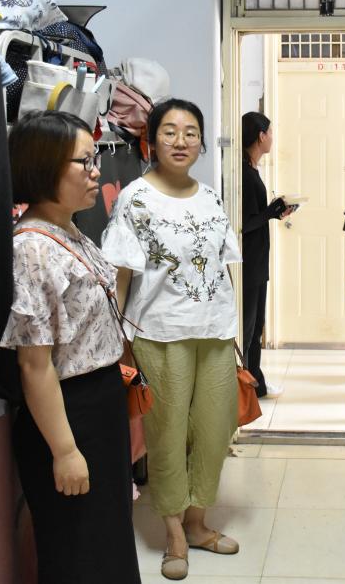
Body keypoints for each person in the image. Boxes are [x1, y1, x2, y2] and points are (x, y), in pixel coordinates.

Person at [102, 98, 242, 581]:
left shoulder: (211, 197)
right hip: (159, 333)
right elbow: (121, 271)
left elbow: (222, 267)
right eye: (169, 131)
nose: (181, 141)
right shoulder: (135, 198)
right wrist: (119, 335)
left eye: (190, 133)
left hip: (215, 331)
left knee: (214, 431)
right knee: (166, 435)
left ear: (201, 142)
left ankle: (198, 522)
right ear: (152, 140)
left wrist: (233, 325)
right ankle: (174, 533)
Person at [0, 110, 141, 584]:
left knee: (107, 539)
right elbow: (34, 365)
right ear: (45, 166)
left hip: (98, 403)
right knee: (77, 550)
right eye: (85, 161)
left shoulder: (68, 229)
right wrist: (64, 451)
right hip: (68, 413)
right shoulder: (31, 249)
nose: (96, 171)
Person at [241, 111, 293, 399]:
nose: (272, 137)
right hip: (248, 263)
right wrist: (270, 212)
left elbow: (255, 216)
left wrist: (273, 211)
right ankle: (248, 387)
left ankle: (256, 384)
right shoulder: (244, 174)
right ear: (261, 136)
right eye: (270, 132)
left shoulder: (252, 169)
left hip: (258, 261)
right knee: (248, 330)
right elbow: (244, 223)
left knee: (256, 326)